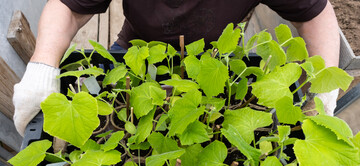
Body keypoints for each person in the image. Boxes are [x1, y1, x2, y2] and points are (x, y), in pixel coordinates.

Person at [13, 0, 341, 136]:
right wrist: (42, 65)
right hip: (137, 49)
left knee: (208, 125)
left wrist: (323, 86)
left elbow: (313, 13)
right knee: (121, 118)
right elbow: (71, 7)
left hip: (215, 60)